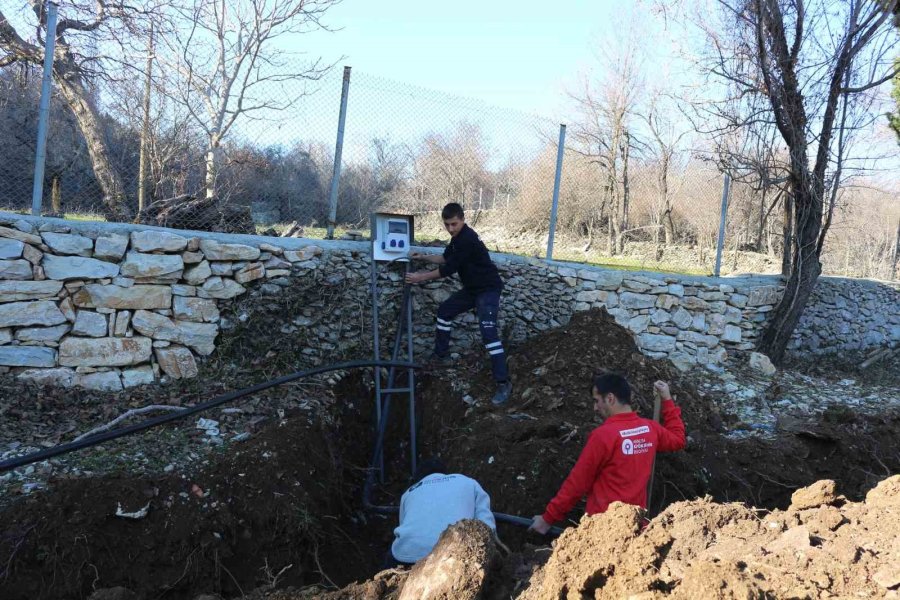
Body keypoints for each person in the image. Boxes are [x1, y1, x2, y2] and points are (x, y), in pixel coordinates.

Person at [529, 374, 686, 534]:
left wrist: (547, 519)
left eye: (597, 401)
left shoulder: (603, 436)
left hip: (603, 531)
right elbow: (678, 439)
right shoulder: (650, 429)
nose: (595, 408)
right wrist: (667, 399)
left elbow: (577, 483)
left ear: (610, 398)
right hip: (637, 528)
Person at [405, 202, 512, 405]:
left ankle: (503, 382)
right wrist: (424, 257)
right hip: (472, 289)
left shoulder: (468, 239)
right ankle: (441, 355)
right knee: (444, 311)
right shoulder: (456, 239)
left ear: (463, 219)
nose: (450, 228)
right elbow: (445, 258)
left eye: (454, 224)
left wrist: (420, 277)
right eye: (447, 224)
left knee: (488, 333)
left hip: (488, 290)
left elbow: (448, 270)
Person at [387, 458, 496, 567]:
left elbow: (403, 526)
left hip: (408, 555)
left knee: (388, 570)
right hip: (458, 554)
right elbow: (486, 524)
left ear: (419, 478)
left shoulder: (409, 492)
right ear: (444, 473)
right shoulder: (468, 482)